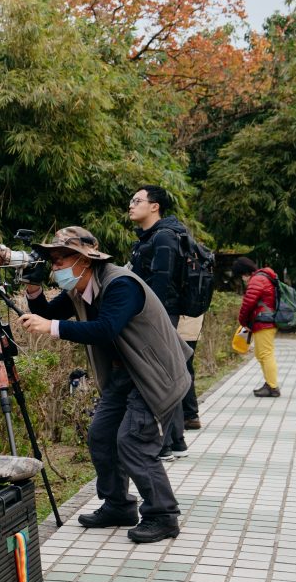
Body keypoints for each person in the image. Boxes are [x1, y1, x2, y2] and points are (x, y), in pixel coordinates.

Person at [19, 226, 192, 544]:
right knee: (101, 435)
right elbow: (45, 311)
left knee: (133, 441)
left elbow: (105, 328)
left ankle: (163, 515)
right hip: (125, 374)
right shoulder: (82, 287)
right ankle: (118, 505)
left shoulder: (119, 285)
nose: (55, 267)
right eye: (52, 261)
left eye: (60, 259)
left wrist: (52, 328)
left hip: (154, 373)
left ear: (84, 260)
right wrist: (32, 286)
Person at [127, 185, 202, 461]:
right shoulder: (152, 237)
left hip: (159, 315)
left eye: (137, 201)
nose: (131, 205)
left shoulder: (164, 238)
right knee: (168, 374)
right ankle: (176, 441)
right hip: (159, 315)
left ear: (154, 206)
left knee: (160, 378)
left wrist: (148, 318)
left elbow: (161, 282)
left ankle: (165, 446)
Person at [232, 257, 281, 397]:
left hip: (264, 321)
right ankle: (269, 384)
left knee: (265, 354)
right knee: (261, 354)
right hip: (263, 322)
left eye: (241, 275)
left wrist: (242, 321)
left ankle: (273, 387)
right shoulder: (262, 277)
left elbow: (248, 303)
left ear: (244, 272)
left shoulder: (257, 280)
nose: (242, 278)